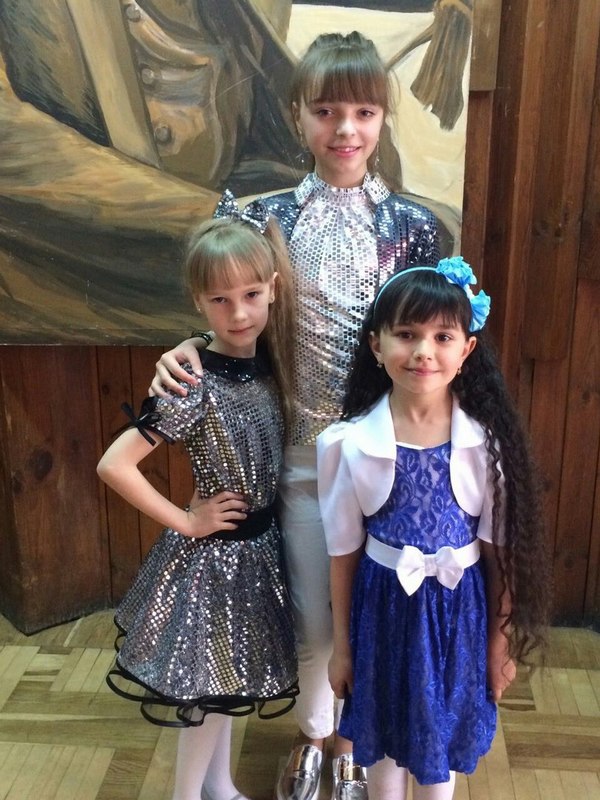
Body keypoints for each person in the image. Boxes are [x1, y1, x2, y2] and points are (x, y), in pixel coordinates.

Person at [148, 32, 442, 800]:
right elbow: (229, 308)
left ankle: (354, 744)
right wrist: (186, 347)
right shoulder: (265, 218)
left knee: (373, 619)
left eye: (364, 112)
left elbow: (432, 340)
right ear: (296, 115)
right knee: (314, 620)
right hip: (302, 461)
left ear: (382, 118)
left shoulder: (413, 227)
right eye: (326, 111)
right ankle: (315, 736)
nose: (345, 129)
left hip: (389, 462)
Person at [317, 258, 550, 800]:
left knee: (438, 751)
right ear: (376, 345)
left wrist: (499, 646)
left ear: (466, 349)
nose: (424, 351)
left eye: (443, 336)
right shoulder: (346, 444)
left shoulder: (486, 445)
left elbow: (499, 559)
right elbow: (343, 555)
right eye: (406, 334)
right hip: (382, 613)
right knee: (384, 748)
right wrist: (342, 648)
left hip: (457, 617)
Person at [97, 195, 298, 800]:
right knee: (204, 696)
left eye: (251, 295)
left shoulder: (269, 362)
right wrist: (188, 521)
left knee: (228, 682)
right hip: (214, 560)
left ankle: (221, 787)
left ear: (273, 289)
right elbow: (114, 464)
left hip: (257, 552)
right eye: (219, 300)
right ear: (198, 301)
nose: (238, 313)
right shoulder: (192, 383)